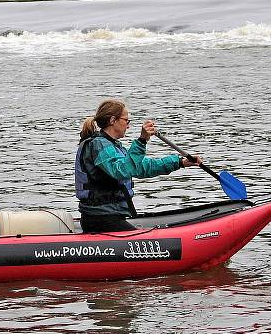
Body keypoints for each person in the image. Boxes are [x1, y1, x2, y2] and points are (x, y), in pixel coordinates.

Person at [75, 99, 201, 234]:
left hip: (110, 216)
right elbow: (121, 171)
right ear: (113, 120)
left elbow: (142, 167)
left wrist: (179, 162)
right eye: (126, 121)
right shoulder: (99, 145)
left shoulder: (112, 146)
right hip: (100, 218)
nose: (128, 126)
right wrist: (141, 140)